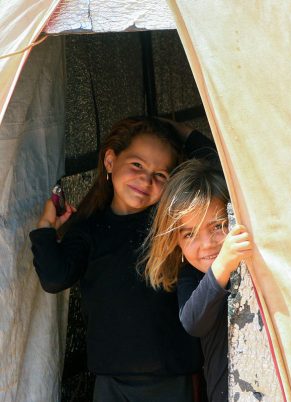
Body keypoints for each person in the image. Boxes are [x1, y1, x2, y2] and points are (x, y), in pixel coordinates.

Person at [29, 117, 216, 402]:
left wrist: (183, 132)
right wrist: (45, 227)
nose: (145, 180)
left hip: (172, 378)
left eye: (161, 175)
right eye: (137, 165)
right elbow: (55, 278)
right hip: (111, 382)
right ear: (110, 161)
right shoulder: (88, 230)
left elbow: (217, 171)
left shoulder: (169, 225)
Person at [144, 159, 253, 402]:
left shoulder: (258, 265)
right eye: (189, 234)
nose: (207, 244)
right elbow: (193, 321)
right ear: (176, 243)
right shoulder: (191, 276)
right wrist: (223, 264)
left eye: (218, 226)